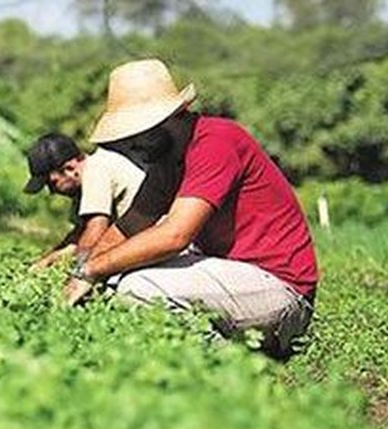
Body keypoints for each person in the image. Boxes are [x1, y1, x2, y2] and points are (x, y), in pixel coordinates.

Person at [64, 58, 319, 356]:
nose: (133, 146)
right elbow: (127, 226)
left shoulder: (216, 140)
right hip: (235, 278)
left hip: (281, 290)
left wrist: (92, 270)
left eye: (138, 135)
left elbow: (175, 236)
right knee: (115, 280)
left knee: (138, 289)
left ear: (170, 117)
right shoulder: (166, 163)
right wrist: (81, 270)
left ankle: (229, 367)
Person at [23, 132, 147, 271]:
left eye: (52, 183)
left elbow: (95, 230)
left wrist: (78, 273)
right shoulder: (85, 181)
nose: (52, 192)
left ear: (70, 168)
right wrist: (47, 261)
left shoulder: (96, 169)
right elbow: (79, 235)